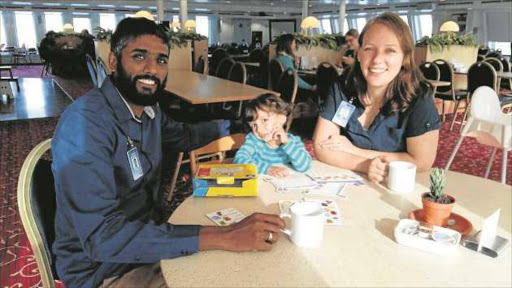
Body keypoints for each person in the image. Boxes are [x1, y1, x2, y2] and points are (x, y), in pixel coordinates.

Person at [51, 17, 285, 288]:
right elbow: (103, 237)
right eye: (140, 56)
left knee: (250, 267)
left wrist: (242, 124)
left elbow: (185, 136)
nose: (152, 69)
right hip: (106, 269)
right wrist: (225, 236)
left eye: (161, 60)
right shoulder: (84, 126)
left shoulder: (149, 110)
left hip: (152, 235)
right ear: (113, 62)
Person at [313, 13, 440, 184]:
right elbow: (322, 146)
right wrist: (366, 165)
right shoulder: (343, 87)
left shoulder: (419, 98)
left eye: (390, 50)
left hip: (392, 188)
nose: (377, 59)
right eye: (369, 49)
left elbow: (421, 161)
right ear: (358, 54)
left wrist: (353, 151)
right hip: (344, 183)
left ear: (405, 57)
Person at [234, 94, 312, 178]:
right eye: (254, 125)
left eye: (264, 120)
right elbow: (238, 161)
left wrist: (287, 143)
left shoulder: (293, 142)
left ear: (282, 119)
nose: (259, 129)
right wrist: (267, 169)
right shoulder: (253, 141)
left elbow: (305, 166)